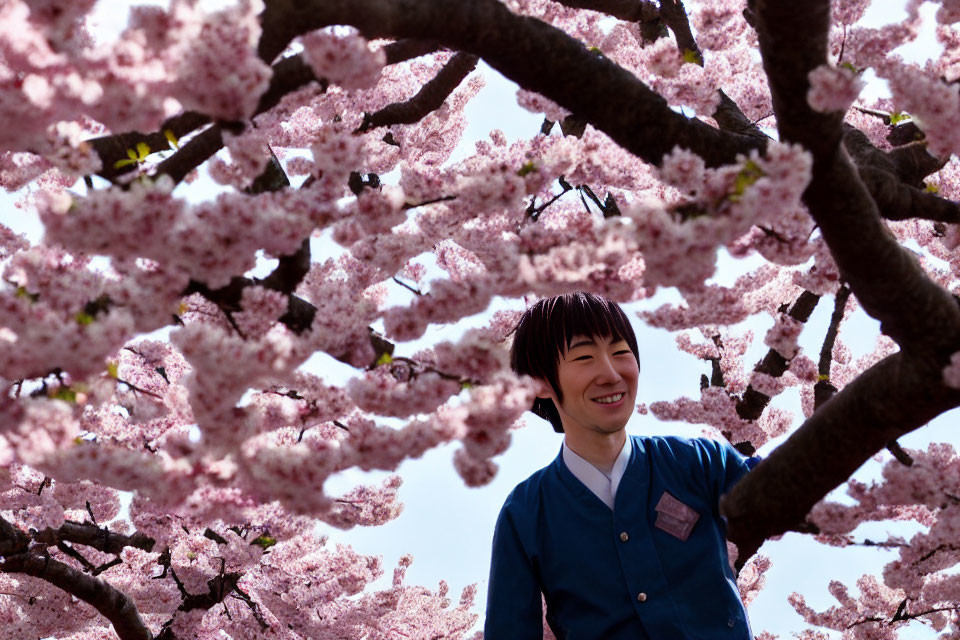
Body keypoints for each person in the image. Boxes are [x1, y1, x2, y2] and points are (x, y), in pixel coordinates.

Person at [484, 291, 759, 639]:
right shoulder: (525, 513)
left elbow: (782, 490)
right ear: (538, 382)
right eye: (584, 357)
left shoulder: (699, 463)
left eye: (620, 352)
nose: (611, 374)